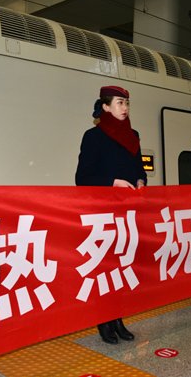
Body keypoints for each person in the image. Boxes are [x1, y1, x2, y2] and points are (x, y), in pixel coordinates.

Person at [75, 85, 146, 345]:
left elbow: (139, 168)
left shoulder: (133, 135)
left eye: (126, 103)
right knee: (105, 270)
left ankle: (118, 319)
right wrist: (112, 182)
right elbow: (82, 177)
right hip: (103, 214)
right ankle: (104, 321)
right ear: (105, 106)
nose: (124, 107)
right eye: (119, 102)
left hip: (127, 213)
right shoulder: (93, 136)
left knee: (122, 268)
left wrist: (140, 180)